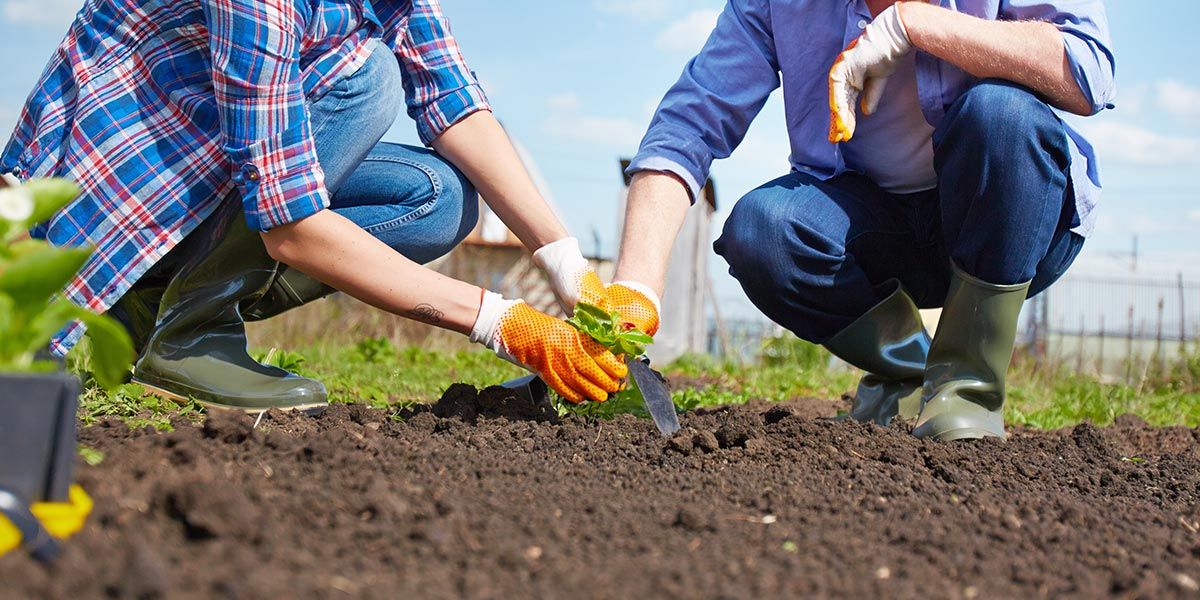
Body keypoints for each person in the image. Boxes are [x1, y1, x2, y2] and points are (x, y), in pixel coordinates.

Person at [0, 0, 656, 413]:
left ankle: (161, 302)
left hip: (219, 169)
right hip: (126, 197)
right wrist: (505, 323)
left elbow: (451, 93)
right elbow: (289, 224)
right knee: (365, 78)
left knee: (437, 197)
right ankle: (190, 327)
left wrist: (569, 269)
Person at [608, 0, 1114, 440]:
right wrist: (632, 295)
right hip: (876, 234)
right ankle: (912, 372)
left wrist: (914, 25)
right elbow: (689, 123)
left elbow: (1086, 68)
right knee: (764, 229)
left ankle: (967, 387)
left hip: (1011, 223)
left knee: (1002, 116)